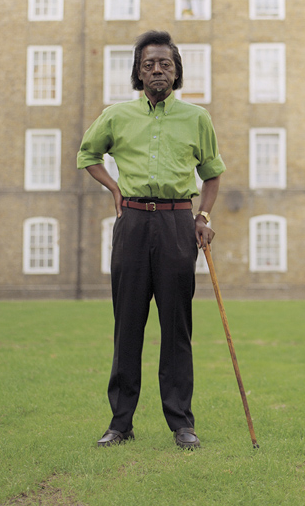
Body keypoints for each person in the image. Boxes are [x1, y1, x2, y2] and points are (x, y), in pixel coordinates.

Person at [77, 30, 225, 449]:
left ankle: (182, 424)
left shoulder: (197, 118)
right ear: (138, 73)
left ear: (176, 72)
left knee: (176, 327)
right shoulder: (116, 116)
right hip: (133, 223)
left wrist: (203, 216)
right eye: (149, 64)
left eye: (165, 64)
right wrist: (114, 188)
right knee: (127, 326)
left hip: (178, 224)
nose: (157, 70)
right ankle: (120, 424)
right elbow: (88, 154)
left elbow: (212, 173)